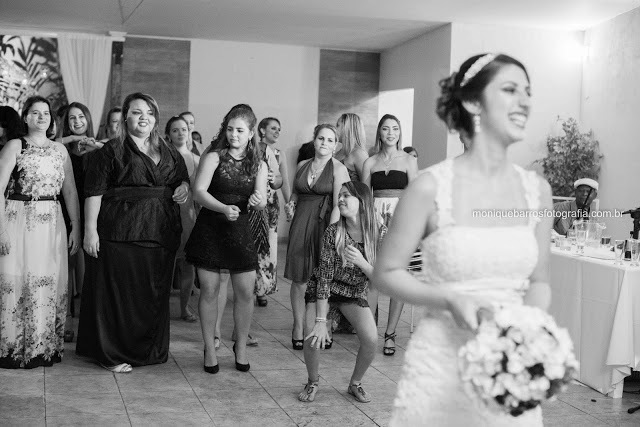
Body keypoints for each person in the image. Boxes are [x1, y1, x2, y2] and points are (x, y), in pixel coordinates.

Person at [373, 53, 552, 426]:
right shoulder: (429, 187)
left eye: (528, 92)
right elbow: (386, 272)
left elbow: (540, 282)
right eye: (510, 89)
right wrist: (449, 299)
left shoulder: (538, 191)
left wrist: (522, 334)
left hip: (506, 371)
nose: (525, 101)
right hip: (441, 370)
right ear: (472, 102)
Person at [76, 92, 190, 373]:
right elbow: (94, 193)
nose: (144, 118)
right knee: (119, 296)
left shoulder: (168, 150)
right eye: (137, 112)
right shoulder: (110, 151)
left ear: (156, 118)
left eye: (149, 113)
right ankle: (111, 354)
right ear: (125, 117)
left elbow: (182, 178)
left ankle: (147, 350)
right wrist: (90, 232)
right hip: (120, 232)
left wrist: (183, 188)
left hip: (161, 231)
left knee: (151, 295)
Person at [185, 104, 267, 374]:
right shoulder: (214, 157)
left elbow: (261, 201)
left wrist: (257, 201)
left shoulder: (259, 164)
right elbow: (198, 191)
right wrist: (222, 208)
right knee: (209, 291)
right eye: (230, 129)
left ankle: (240, 347)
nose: (234, 135)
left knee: (245, 292)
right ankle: (210, 348)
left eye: (240, 130)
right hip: (211, 228)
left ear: (251, 133)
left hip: (240, 231)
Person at [0, 95, 81, 368]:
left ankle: (43, 348)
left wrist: (76, 227)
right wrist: (1, 229)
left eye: (46, 113)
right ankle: (12, 348)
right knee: (17, 277)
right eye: (35, 112)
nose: (41, 117)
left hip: (52, 222)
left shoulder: (60, 150)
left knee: (48, 278)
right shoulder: (15, 145)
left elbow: (70, 191)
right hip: (18, 218)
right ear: (26, 117)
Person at [298, 181, 382, 403]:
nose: (341, 199)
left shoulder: (378, 233)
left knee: (371, 339)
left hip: (353, 293)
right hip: (325, 288)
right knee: (312, 335)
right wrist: (320, 320)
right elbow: (324, 278)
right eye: (340, 195)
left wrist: (362, 263)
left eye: (346, 196)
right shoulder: (333, 232)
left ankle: (355, 383)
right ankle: (312, 381)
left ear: (362, 202)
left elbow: (382, 280)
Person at [284, 124, 350, 350]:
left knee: (324, 279)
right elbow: (295, 193)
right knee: (299, 278)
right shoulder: (302, 165)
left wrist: (331, 234)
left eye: (330, 140)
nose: (324, 143)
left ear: (335, 146)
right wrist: (291, 204)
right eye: (321, 138)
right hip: (301, 222)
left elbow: (339, 203)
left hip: (325, 223)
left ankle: (324, 327)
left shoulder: (339, 169)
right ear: (314, 141)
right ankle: (298, 326)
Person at [361, 114, 418, 356]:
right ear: (380, 133)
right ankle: (369, 333)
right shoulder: (369, 162)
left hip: (400, 224)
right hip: (374, 224)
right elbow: (364, 197)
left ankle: (390, 334)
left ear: (399, 132)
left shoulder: (409, 161)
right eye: (386, 129)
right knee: (372, 278)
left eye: (395, 128)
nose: (390, 133)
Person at [59, 101, 101, 342]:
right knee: (66, 268)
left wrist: (92, 144)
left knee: (89, 272)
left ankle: (87, 323)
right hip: (66, 211)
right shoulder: (60, 148)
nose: (77, 122)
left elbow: (117, 151)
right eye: (72, 118)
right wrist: (72, 139)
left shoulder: (98, 148)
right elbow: (49, 145)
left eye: (81, 117)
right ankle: (65, 320)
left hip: (92, 213)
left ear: (88, 119)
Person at [166, 115, 200, 322]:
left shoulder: (196, 160)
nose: (180, 133)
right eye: (175, 130)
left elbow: (201, 193)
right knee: (165, 263)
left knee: (188, 264)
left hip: (188, 216)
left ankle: (184, 307)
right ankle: (160, 307)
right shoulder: (162, 156)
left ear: (189, 133)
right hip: (165, 216)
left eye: (184, 129)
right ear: (168, 134)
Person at [252, 117, 290, 306]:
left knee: (269, 246)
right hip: (254, 200)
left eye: (279, 129)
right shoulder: (252, 149)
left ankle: (262, 289)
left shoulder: (279, 153)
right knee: (252, 246)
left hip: (271, 204)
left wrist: (290, 203)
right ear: (262, 130)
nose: (277, 132)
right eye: (273, 128)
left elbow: (284, 181)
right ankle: (248, 286)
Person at [335, 113, 369, 181]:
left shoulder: (359, 154)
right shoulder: (339, 151)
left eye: (338, 125)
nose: (335, 129)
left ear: (347, 128)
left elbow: (366, 185)